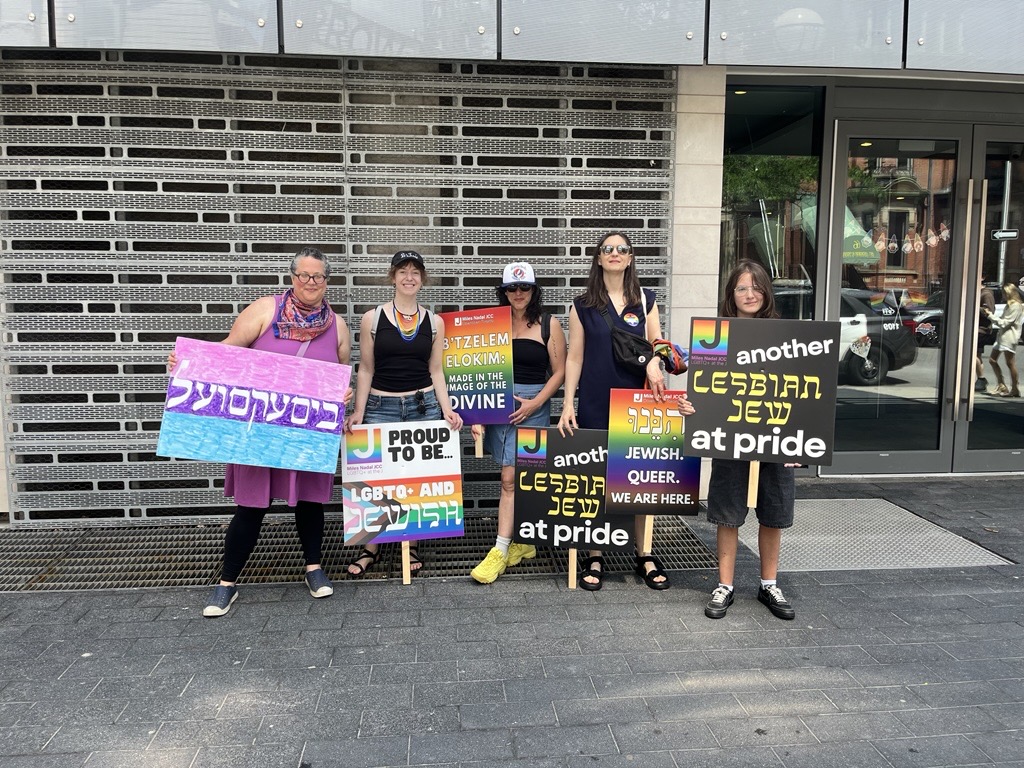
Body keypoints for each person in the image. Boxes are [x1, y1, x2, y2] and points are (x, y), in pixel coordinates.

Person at [168, 247, 352, 617]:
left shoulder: (338, 325)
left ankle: (313, 568)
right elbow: (227, 351)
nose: (310, 282)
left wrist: (343, 394)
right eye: (303, 275)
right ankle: (227, 584)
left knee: (311, 504)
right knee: (251, 507)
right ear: (291, 277)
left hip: (305, 431)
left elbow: (342, 371)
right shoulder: (264, 310)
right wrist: (188, 363)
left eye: (317, 276)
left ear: (327, 281)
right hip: (259, 428)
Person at [557, 231, 668, 591]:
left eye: (622, 249)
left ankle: (644, 553)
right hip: (595, 400)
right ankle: (595, 553)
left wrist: (655, 360)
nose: (615, 254)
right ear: (599, 259)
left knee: (640, 478)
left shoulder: (646, 300)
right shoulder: (582, 305)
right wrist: (567, 403)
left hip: (637, 401)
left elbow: (660, 345)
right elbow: (574, 357)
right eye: (608, 249)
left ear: (631, 257)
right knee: (596, 479)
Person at [345, 250, 464, 576]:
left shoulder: (434, 322)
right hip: (381, 407)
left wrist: (447, 409)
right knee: (374, 481)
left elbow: (436, 370)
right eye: (402, 271)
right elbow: (366, 369)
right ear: (393, 276)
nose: (409, 277)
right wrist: (358, 411)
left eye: (415, 271)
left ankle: (408, 544)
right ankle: (371, 547)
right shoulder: (373, 318)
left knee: (415, 480)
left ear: (422, 278)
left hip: (423, 406)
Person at [701, 260, 797, 621]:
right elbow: (707, 387)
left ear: (766, 292)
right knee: (728, 513)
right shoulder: (717, 335)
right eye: (742, 287)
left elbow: (803, 392)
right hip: (731, 436)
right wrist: (693, 407)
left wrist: (799, 440)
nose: (750, 294)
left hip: (775, 436)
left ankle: (768, 582)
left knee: (773, 512)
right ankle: (724, 585)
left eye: (756, 287)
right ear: (731, 295)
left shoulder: (785, 335)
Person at [469, 262, 566, 583]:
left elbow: (561, 371)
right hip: (498, 407)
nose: (518, 293)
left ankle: (500, 549)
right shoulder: (491, 324)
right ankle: (523, 542)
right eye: (512, 288)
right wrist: (477, 414)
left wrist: (537, 403)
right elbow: (479, 370)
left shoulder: (548, 325)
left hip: (533, 409)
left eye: (524, 288)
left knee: (512, 479)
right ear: (504, 291)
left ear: (534, 290)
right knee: (513, 476)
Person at [983, 281, 1023, 398]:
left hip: (1009, 337)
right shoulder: (1009, 305)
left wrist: (990, 315)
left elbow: (1004, 323)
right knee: (992, 360)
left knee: (1010, 363)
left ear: (1009, 293)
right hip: (1003, 336)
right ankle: (1002, 384)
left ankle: (1015, 388)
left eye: (1004, 293)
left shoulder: (1015, 306)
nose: (1003, 295)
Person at [976, 277, 996, 392]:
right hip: (973, 328)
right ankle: (980, 379)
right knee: (975, 355)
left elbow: (989, 311)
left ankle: (981, 379)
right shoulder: (975, 292)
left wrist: (973, 307)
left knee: (973, 355)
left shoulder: (986, 294)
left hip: (981, 329)